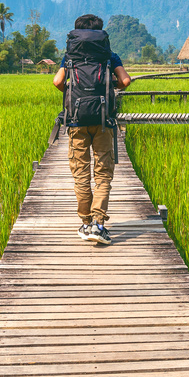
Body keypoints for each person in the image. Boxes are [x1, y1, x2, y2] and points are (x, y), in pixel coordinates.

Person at [52, 14, 131, 245]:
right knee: (103, 173)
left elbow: (57, 82)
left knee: (81, 173)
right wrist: (108, 86)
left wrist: (72, 94)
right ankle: (99, 224)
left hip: (76, 120)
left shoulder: (70, 56)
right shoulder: (109, 55)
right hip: (104, 119)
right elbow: (125, 81)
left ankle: (85, 223)